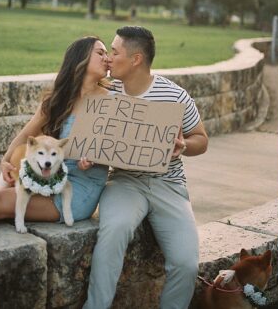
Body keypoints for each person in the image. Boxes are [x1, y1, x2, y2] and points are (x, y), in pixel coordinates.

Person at [84, 25, 209, 309]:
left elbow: (202, 140)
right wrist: (89, 152)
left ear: (136, 59)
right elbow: (91, 138)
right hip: (125, 183)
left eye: (114, 52)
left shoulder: (175, 96)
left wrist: (184, 146)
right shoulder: (106, 94)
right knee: (113, 231)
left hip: (169, 185)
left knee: (186, 263)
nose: (109, 59)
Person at [0, 36, 112, 228]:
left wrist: (96, 157)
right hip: (50, 177)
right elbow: (25, 135)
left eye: (107, 53)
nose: (107, 58)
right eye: (100, 53)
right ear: (80, 59)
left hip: (77, 192)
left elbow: (118, 147)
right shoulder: (59, 100)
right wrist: (5, 161)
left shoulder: (112, 101)